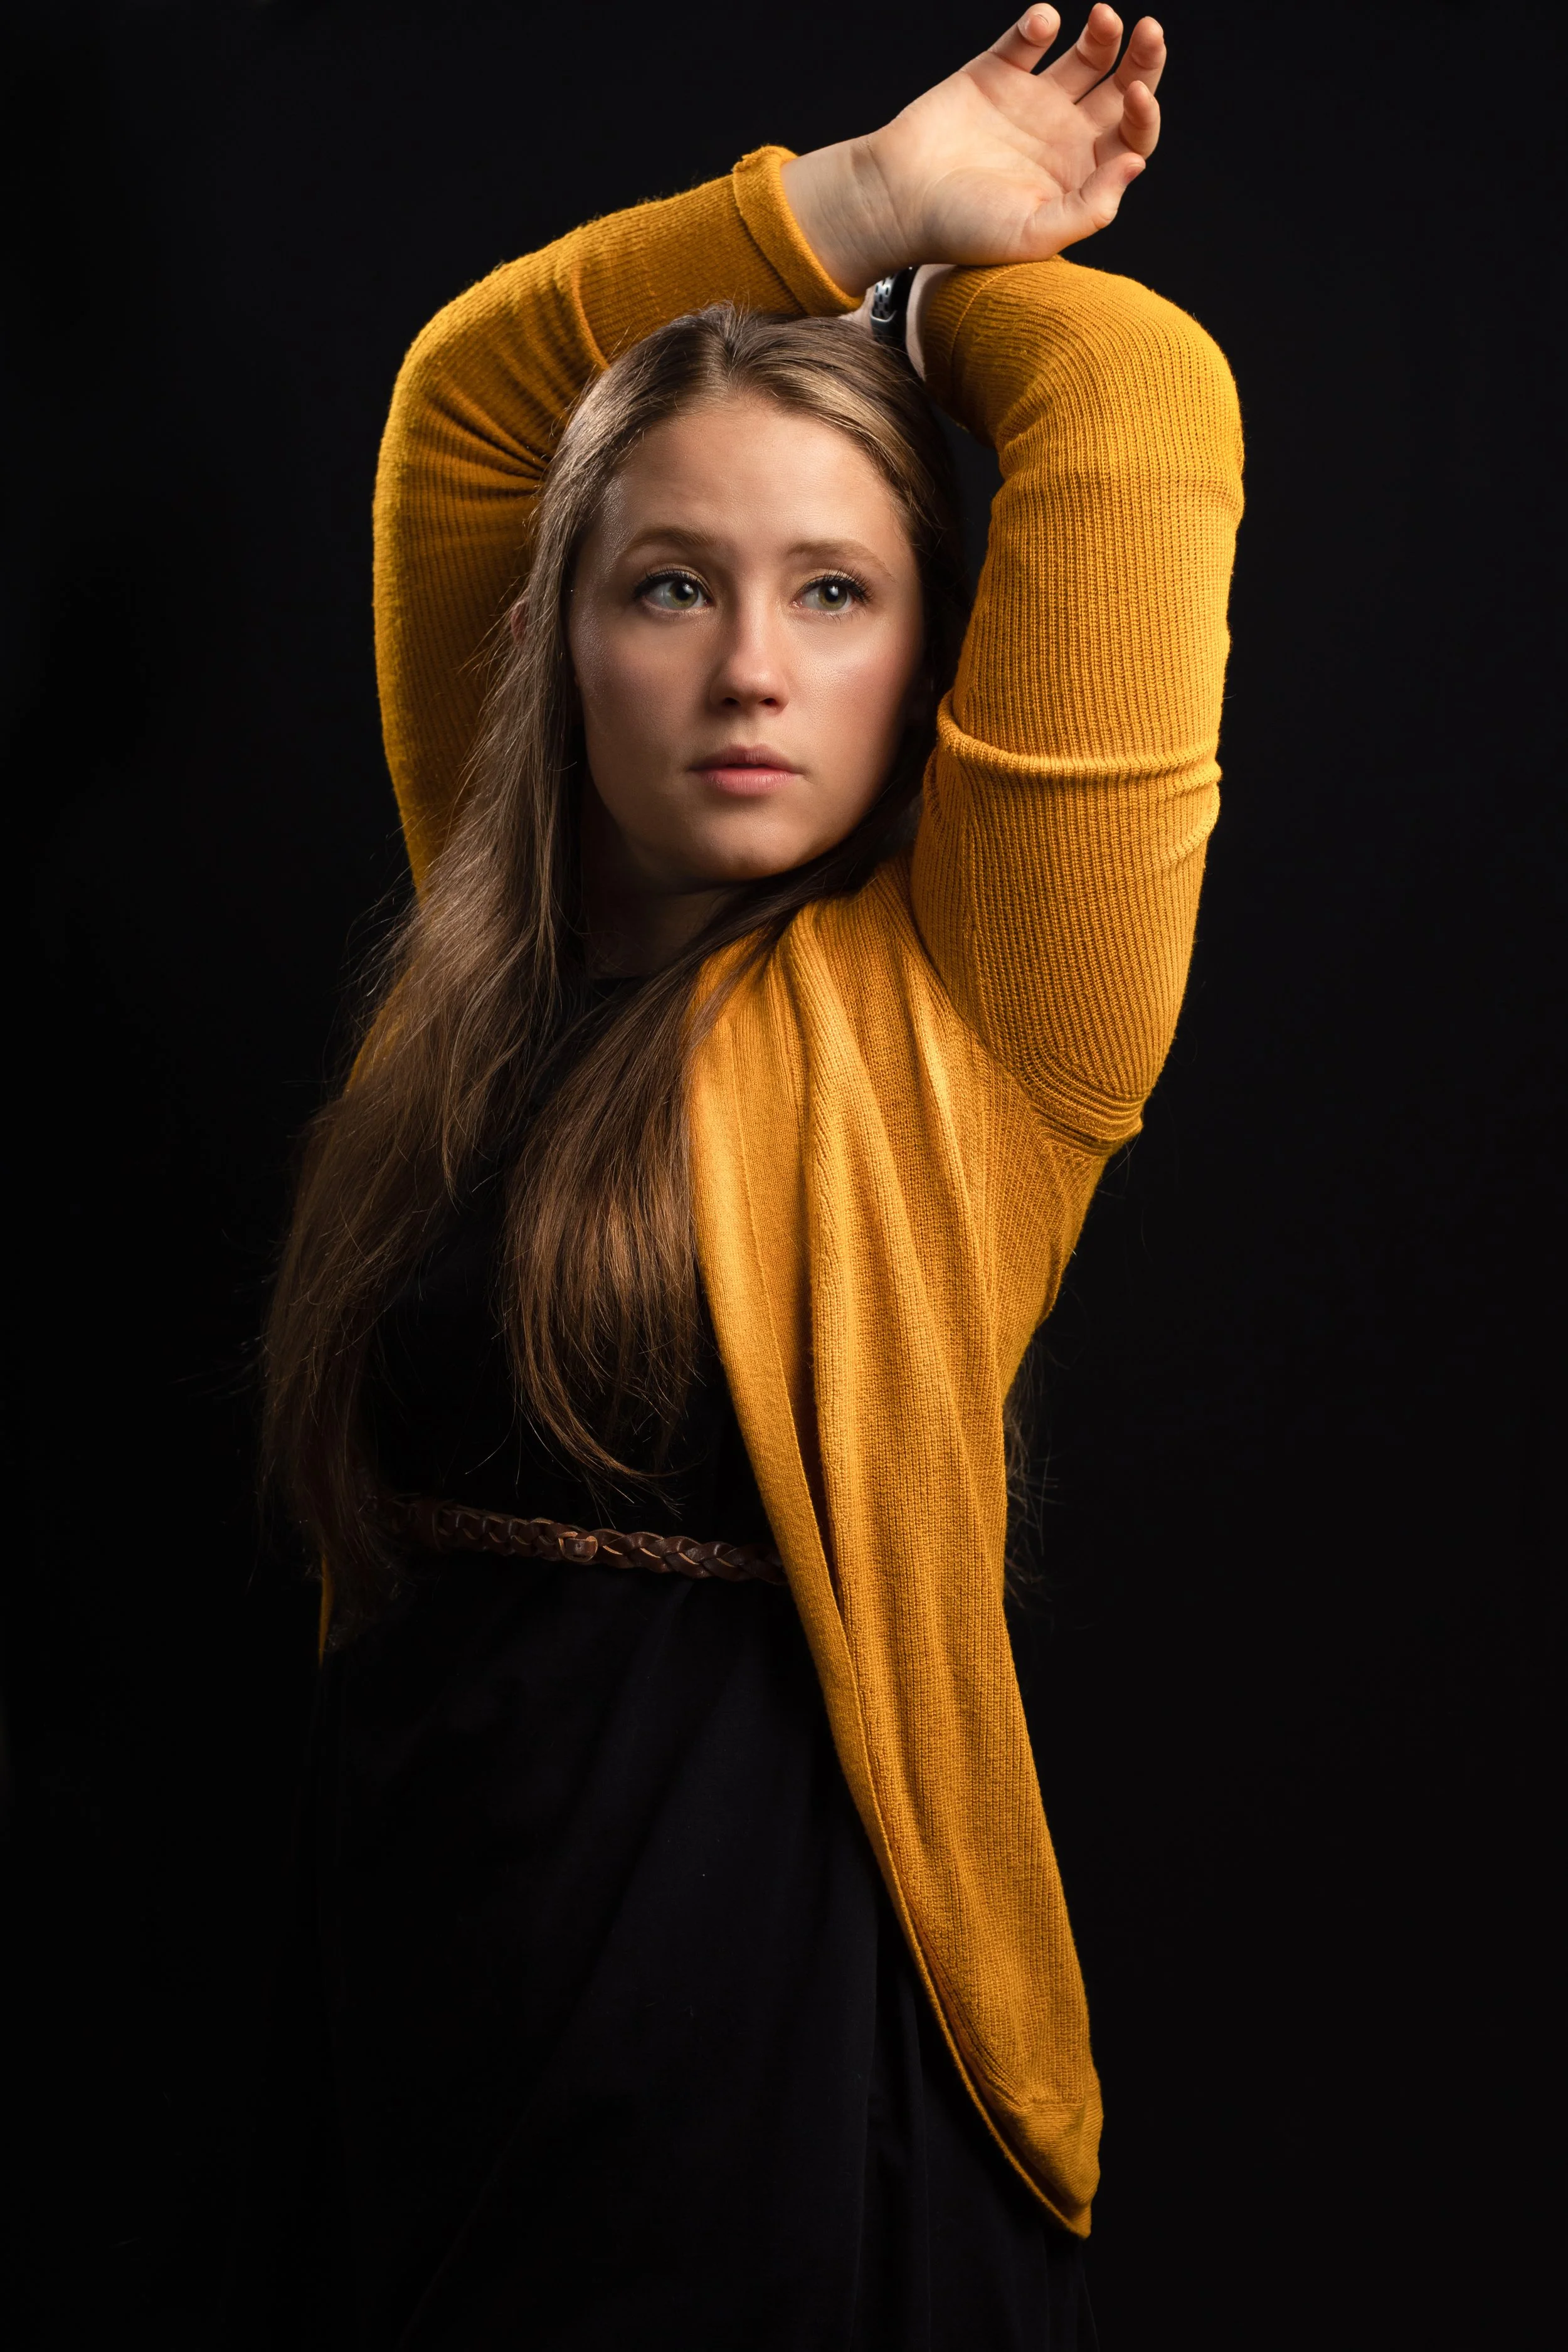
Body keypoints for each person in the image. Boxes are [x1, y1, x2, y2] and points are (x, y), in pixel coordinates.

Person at [246, 6, 1242, 2343]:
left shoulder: (977, 1030)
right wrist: (852, 195)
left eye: (836, 590)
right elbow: (475, 404)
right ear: (559, 640)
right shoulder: (480, 979)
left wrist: (913, 284)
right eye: (670, 585)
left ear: (932, 658)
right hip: (411, 2026)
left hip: (775, 2083)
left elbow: (1144, 414)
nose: (747, 674)